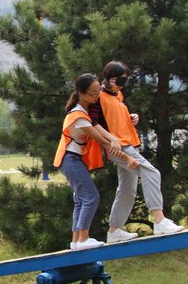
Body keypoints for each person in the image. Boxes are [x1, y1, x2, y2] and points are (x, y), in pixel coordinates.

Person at [89, 60, 184, 241]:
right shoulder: (98, 96)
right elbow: (95, 123)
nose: (124, 85)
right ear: (111, 79)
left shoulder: (117, 95)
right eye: (122, 81)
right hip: (118, 147)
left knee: (127, 189)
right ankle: (159, 220)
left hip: (127, 143)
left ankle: (114, 231)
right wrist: (110, 141)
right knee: (151, 172)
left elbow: (115, 116)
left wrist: (130, 117)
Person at [53, 74, 139, 250]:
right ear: (81, 94)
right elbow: (104, 142)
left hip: (72, 160)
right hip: (70, 160)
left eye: (98, 91)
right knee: (91, 197)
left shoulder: (85, 111)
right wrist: (128, 158)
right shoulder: (79, 116)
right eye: (92, 94)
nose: (97, 96)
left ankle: (76, 240)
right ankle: (84, 239)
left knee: (80, 200)